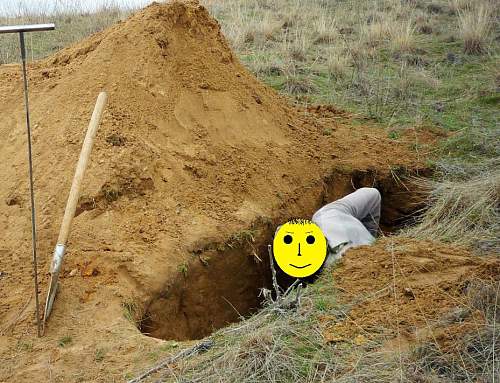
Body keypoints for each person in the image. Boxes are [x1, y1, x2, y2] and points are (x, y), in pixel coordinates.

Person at [311, 187, 381, 267]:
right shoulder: (324, 215)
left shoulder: (325, 215)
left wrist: (373, 239)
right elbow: (373, 194)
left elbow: (373, 195)